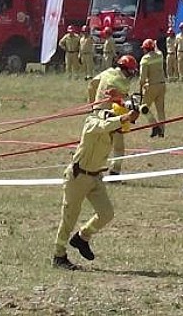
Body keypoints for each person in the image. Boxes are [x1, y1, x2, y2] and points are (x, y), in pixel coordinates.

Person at [52, 84, 140, 270]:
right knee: (69, 217)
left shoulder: (111, 126)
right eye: (119, 126)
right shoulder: (92, 122)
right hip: (78, 177)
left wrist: (126, 104)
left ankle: (82, 237)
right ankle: (59, 255)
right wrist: (122, 118)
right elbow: (102, 125)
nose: (120, 132)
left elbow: (116, 118)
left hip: (95, 177)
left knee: (107, 213)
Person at [87, 55, 139, 175]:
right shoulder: (122, 81)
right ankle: (115, 171)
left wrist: (92, 105)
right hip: (112, 116)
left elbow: (92, 85)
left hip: (97, 113)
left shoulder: (107, 72)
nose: (131, 74)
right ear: (125, 69)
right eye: (131, 70)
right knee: (118, 146)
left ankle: (90, 168)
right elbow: (123, 100)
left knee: (96, 144)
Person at [139, 38, 166, 138]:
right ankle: (162, 131)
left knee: (143, 108)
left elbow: (142, 77)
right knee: (160, 110)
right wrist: (155, 43)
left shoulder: (145, 59)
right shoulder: (160, 55)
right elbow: (158, 50)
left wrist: (142, 85)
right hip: (162, 85)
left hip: (151, 86)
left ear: (145, 49)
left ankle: (154, 125)